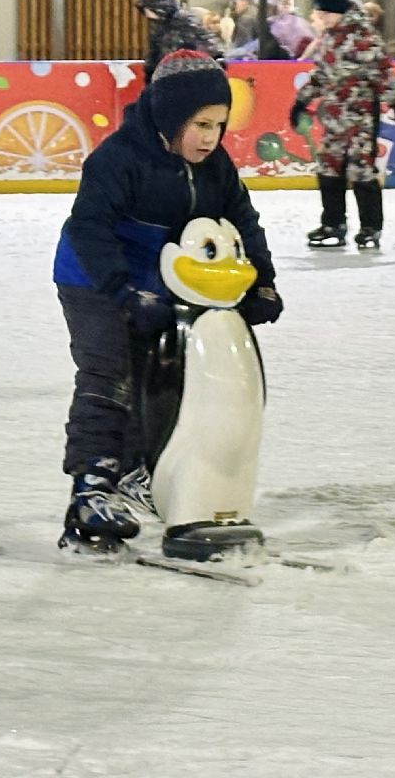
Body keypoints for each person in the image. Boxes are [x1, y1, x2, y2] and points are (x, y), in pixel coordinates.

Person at [52, 49, 281, 553]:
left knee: (163, 376)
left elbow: (245, 220)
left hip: (164, 285)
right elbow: (90, 229)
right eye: (200, 124)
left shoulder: (215, 167)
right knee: (109, 374)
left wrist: (262, 282)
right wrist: (122, 292)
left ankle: (140, 475)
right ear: (172, 115)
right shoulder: (119, 159)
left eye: (219, 125)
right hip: (93, 279)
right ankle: (91, 486)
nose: (210, 138)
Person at [291, 0, 395, 250]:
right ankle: (333, 223)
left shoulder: (363, 36)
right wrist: (301, 102)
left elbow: (381, 73)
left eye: (323, 13)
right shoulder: (329, 38)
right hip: (334, 118)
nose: (320, 17)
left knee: (361, 170)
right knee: (328, 167)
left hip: (361, 118)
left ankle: (371, 227)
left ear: (336, 11)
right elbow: (321, 76)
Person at [134, 0, 221, 82]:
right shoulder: (159, 26)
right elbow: (154, 55)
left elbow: (210, 49)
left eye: (148, 9)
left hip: (190, 78)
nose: (147, 14)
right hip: (172, 78)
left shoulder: (184, 21)